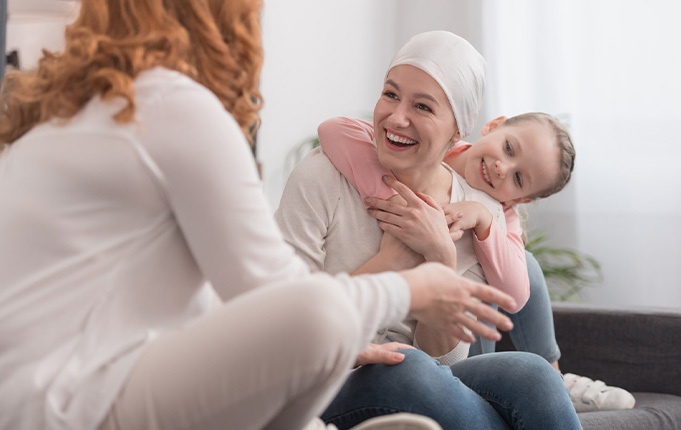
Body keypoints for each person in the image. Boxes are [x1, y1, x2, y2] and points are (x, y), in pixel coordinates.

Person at [0, 3, 525, 430]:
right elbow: (286, 307)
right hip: (67, 403)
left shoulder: (79, 108)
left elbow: (209, 304)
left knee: (523, 372)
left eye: (425, 106)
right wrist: (412, 288)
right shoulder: (173, 107)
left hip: (38, 392)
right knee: (333, 338)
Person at [275, 30, 582, 429]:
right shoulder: (321, 176)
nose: (396, 118)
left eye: (422, 106)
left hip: (421, 375)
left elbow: (445, 362)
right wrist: (391, 263)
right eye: (390, 94)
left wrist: (441, 257)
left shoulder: (472, 211)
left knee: (535, 376)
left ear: (458, 131)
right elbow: (283, 325)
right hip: (320, 381)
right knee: (408, 370)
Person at [318, 113, 635, 413]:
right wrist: (396, 197)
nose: (502, 168)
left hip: (459, 342)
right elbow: (333, 129)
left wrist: (483, 220)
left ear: (520, 200)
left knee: (523, 265)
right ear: (494, 125)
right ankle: (550, 382)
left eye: (518, 178)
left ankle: (554, 380)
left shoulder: (498, 211)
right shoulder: (429, 149)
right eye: (509, 148)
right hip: (414, 337)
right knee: (520, 263)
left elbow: (515, 295)